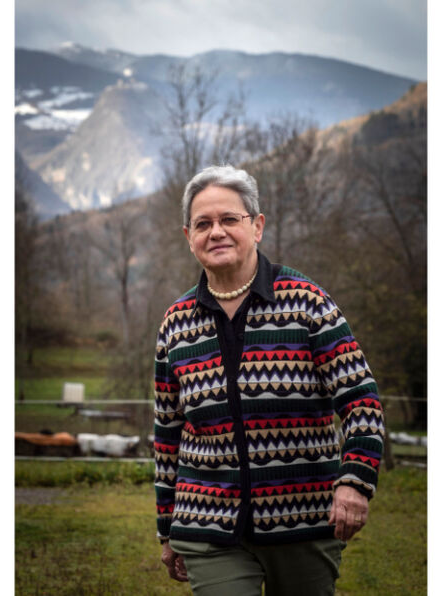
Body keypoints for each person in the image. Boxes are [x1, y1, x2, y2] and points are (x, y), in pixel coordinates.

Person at [153, 165, 386, 595]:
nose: (216, 232)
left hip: (303, 521)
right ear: (188, 236)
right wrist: (167, 527)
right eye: (203, 224)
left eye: (229, 219)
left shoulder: (307, 302)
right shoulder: (176, 324)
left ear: (257, 226)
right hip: (208, 524)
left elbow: (361, 401)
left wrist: (355, 481)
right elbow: (167, 435)